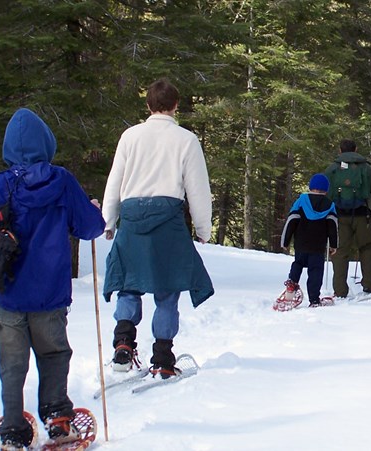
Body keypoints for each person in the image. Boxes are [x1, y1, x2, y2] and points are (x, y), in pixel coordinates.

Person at [0, 108, 106, 449]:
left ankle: (13, 430)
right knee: (54, 353)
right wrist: (92, 208)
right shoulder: (61, 181)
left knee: (12, 363)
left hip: (8, 293)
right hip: (50, 294)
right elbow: (91, 228)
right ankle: (58, 420)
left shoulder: (0, 185)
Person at [102, 78, 215, 379]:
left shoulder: (130, 136)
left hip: (133, 216)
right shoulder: (186, 140)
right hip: (168, 218)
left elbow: (115, 180)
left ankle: (123, 343)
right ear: (176, 105)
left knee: (129, 281)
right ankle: (163, 357)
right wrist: (203, 228)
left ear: (148, 105)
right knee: (167, 288)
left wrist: (108, 220)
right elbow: (198, 189)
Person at [324, 139, 371, 297]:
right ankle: (368, 284)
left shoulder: (332, 169)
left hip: (339, 216)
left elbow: (325, 192)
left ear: (340, 150)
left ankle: (340, 290)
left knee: (340, 251)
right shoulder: (365, 168)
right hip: (363, 215)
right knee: (367, 248)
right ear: (356, 149)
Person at [280, 174, 339, 307]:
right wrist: (334, 245)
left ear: (310, 187)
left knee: (298, 263)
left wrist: (285, 241)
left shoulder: (301, 201)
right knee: (315, 272)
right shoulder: (329, 205)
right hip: (318, 246)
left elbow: (291, 221)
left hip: (301, 243)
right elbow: (333, 226)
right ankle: (314, 300)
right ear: (326, 190)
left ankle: (291, 286)